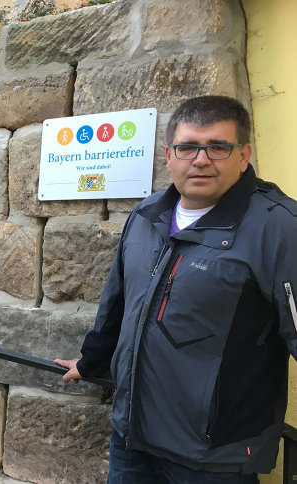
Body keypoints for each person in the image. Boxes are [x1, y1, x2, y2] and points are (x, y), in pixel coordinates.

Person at [54, 95, 297, 483]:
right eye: (187, 147)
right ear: (169, 156)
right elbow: (118, 302)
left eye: (218, 147)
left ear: (244, 154)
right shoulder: (148, 215)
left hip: (213, 455)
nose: (200, 160)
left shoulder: (279, 227)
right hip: (132, 437)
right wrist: (90, 360)